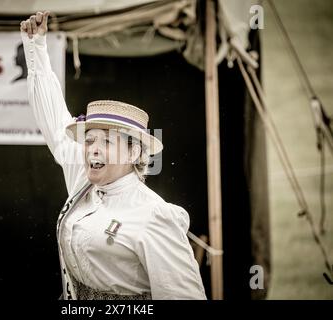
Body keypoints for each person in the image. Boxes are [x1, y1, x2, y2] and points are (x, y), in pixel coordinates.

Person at [20, 11, 206, 300]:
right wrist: (36, 48)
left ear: (134, 151)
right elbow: (56, 123)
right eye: (90, 139)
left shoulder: (155, 217)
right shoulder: (84, 179)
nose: (93, 147)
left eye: (107, 141)